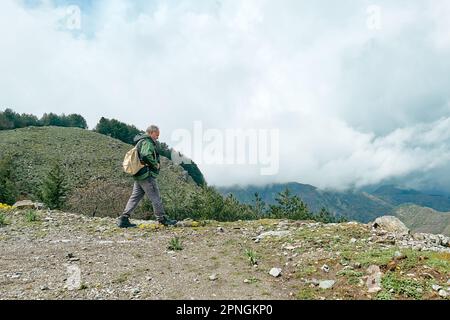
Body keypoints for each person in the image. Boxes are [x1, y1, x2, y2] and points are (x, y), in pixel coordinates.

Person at [117, 125, 177, 228]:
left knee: (135, 197)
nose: (157, 137)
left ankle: (124, 218)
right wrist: (155, 164)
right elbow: (145, 155)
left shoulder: (140, 141)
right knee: (155, 197)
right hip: (146, 175)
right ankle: (162, 218)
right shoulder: (147, 142)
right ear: (151, 133)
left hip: (139, 174)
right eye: (156, 134)